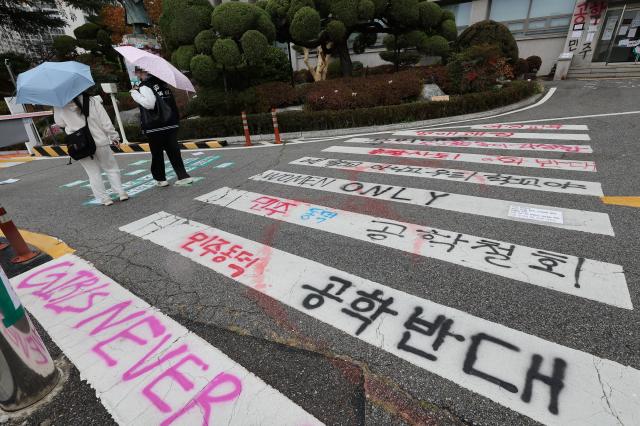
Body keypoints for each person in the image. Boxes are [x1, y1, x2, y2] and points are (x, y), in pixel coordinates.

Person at [54, 93, 128, 206]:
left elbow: (60, 123)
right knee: (111, 167)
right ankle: (121, 192)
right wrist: (114, 136)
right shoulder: (92, 100)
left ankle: (105, 198)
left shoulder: (60, 105)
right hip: (100, 140)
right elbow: (105, 121)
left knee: (93, 172)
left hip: (80, 144)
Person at [129, 68, 193, 187]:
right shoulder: (163, 84)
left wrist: (134, 94)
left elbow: (150, 104)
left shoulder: (145, 86)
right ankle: (183, 176)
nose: (136, 74)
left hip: (155, 126)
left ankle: (161, 179)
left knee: (157, 153)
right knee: (174, 151)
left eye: (137, 72)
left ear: (142, 72)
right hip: (170, 123)